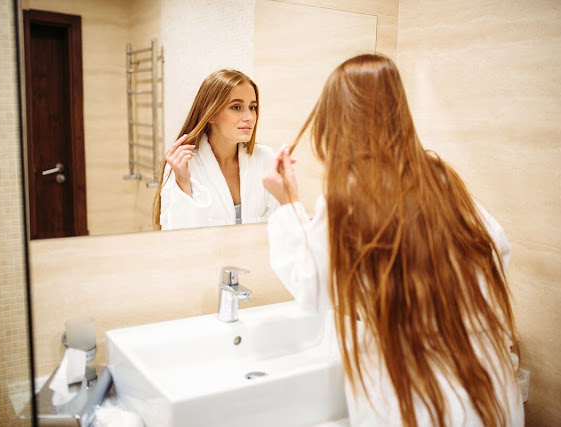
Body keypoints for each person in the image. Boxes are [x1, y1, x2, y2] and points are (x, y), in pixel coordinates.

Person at [263, 54, 523, 426]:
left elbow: (313, 287)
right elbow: (497, 250)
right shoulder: (440, 179)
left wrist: (288, 203)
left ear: (336, 119)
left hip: (420, 398)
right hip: (484, 383)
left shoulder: (348, 199)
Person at [153, 69, 279, 230]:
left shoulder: (266, 159)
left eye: (252, 107)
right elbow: (175, 236)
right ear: (210, 113)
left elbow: (280, 226)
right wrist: (183, 183)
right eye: (236, 107)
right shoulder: (183, 164)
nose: (249, 117)